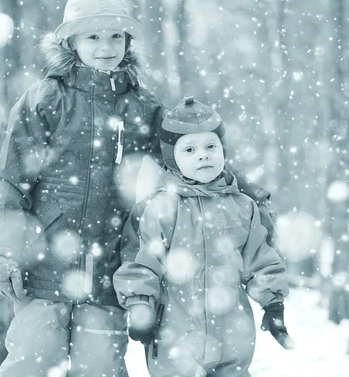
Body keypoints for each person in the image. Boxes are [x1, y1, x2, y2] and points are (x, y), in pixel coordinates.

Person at [0, 0, 277, 377]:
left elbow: (191, 155)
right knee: (31, 360)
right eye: (93, 36)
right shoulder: (44, 100)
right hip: (45, 264)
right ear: (70, 41)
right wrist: (2, 251)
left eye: (115, 36)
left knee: (100, 367)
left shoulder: (142, 105)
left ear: (128, 41)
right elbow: (11, 181)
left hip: (111, 266)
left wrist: (246, 191)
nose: (106, 46)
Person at [113, 96, 294, 377]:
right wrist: (140, 306)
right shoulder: (161, 207)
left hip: (232, 333)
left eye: (211, 146)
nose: (203, 155)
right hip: (175, 333)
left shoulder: (242, 206)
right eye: (190, 149)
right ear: (172, 158)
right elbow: (142, 262)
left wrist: (273, 303)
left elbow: (260, 259)